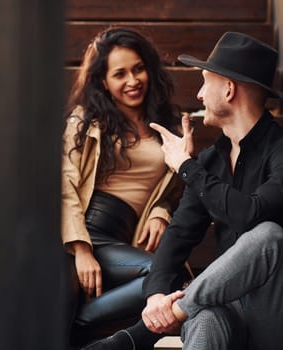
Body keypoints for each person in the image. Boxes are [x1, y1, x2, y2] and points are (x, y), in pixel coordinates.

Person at [83, 31, 283, 350]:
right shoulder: (211, 162)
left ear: (228, 88)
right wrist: (156, 300)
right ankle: (161, 322)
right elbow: (178, 236)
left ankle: (140, 336)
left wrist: (185, 166)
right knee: (206, 315)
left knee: (267, 237)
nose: (198, 95)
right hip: (235, 312)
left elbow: (250, 215)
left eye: (204, 82)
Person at [62, 27, 190, 347]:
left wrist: (161, 210)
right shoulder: (86, 121)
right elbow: (63, 184)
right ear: (104, 82)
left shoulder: (168, 125)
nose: (132, 81)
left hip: (124, 237)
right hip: (86, 233)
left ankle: (79, 321)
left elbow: (173, 190)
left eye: (138, 68)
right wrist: (81, 249)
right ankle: (86, 330)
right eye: (120, 74)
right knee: (164, 277)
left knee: (171, 279)